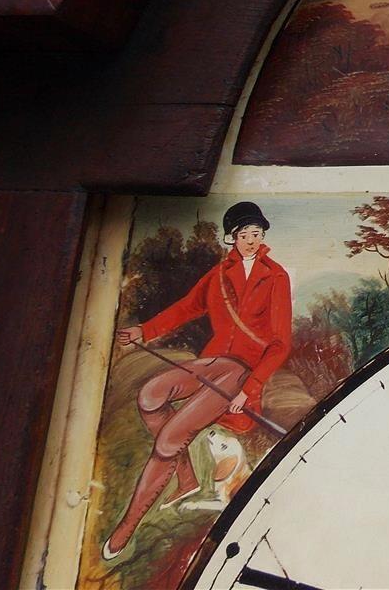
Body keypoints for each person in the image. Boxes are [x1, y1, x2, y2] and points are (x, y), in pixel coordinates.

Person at [103, 202, 292, 560]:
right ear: (231, 238)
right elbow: (187, 308)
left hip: (242, 372)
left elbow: (281, 344)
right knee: (149, 395)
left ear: (263, 235)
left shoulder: (276, 276)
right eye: (244, 234)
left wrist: (249, 389)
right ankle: (186, 476)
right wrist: (144, 331)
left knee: (173, 435)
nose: (251, 240)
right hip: (214, 360)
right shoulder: (219, 275)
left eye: (257, 233)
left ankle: (128, 525)